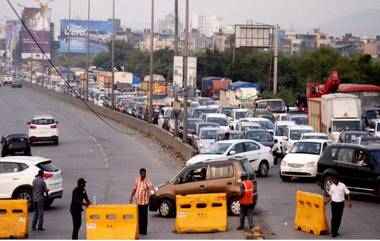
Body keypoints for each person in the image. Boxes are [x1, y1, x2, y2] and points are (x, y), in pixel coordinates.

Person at [130, 168, 154, 235]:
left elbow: (151, 187)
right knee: (139, 217)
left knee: (144, 217)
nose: (144, 175)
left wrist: (152, 190)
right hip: (138, 202)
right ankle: (140, 230)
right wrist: (131, 197)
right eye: (142, 173)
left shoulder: (147, 181)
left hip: (144, 203)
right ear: (140, 174)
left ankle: (144, 231)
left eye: (145, 173)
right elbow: (134, 189)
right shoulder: (137, 180)